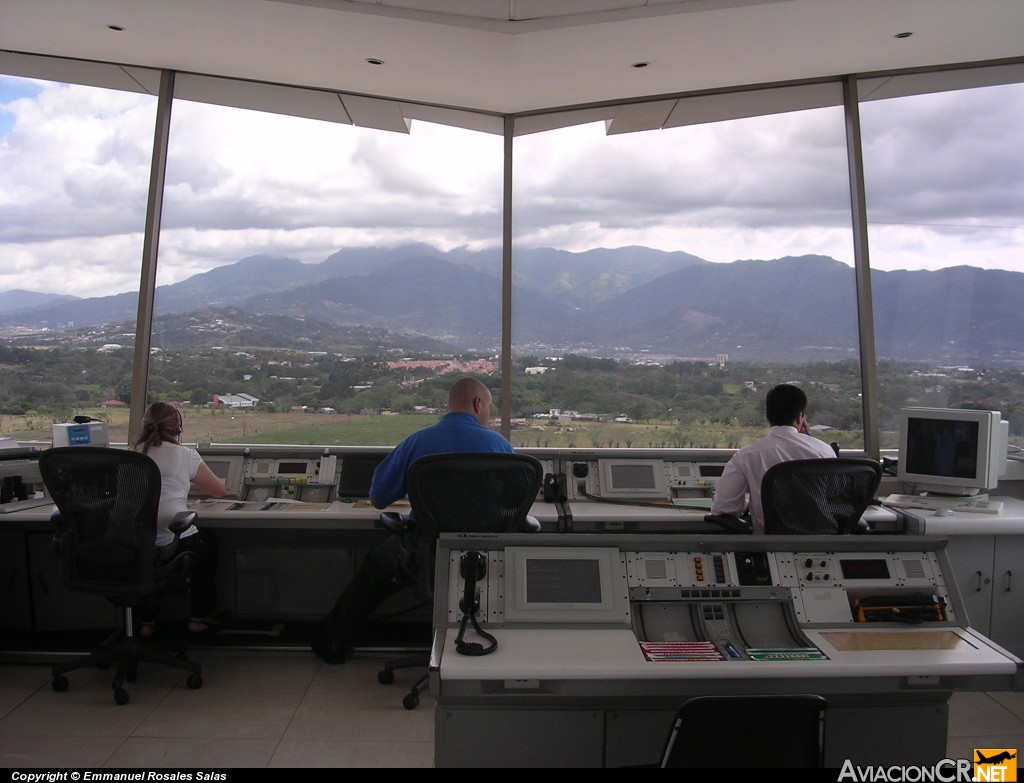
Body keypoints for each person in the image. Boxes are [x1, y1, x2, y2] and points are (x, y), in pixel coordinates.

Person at [313, 376, 513, 663]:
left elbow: (378, 498)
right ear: (478, 403)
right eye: (489, 407)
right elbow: (514, 501)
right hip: (485, 556)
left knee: (374, 566)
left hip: (427, 552)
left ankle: (332, 643)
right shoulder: (501, 446)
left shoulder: (417, 442)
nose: (489, 413)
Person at [130, 401, 227, 636]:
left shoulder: (131, 455)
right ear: (178, 428)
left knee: (143, 562)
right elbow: (219, 491)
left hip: (132, 541)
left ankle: (146, 622)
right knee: (207, 541)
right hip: (171, 541)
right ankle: (198, 617)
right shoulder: (185, 454)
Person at [709, 383, 836, 535]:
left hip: (770, 548)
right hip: (824, 546)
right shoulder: (824, 451)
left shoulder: (747, 455)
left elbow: (723, 508)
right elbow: (835, 500)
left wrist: (751, 505)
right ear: (800, 416)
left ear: (766, 415)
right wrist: (808, 438)